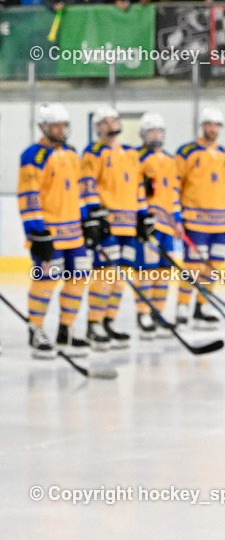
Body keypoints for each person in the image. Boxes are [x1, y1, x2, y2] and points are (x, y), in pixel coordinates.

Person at [17, 104, 93, 358]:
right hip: (49, 234)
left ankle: (66, 330)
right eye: (56, 126)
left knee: (78, 280)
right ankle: (36, 331)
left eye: (64, 125)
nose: (61, 130)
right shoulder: (33, 156)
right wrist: (36, 232)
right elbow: (28, 195)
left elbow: (78, 190)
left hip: (74, 234)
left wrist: (87, 220)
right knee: (45, 283)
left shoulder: (71, 152)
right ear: (43, 126)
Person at [80, 107, 145, 349]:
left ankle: (108, 321)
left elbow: (138, 185)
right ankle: (93, 323)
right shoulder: (93, 152)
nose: (110, 125)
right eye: (104, 122)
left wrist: (143, 215)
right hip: (107, 226)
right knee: (104, 276)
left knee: (120, 278)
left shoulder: (131, 153)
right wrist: (94, 215)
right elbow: (87, 184)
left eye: (113, 121)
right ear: (97, 128)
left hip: (129, 225)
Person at [175, 107, 225, 329]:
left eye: (216, 125)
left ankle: (202, 307)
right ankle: (182, 306)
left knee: (213, 266)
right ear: (203, 126)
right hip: (194, 220)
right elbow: (176, 184)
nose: (212, 129)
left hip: (220, 223)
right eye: (209, 124)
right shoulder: (187, 152)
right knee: (192, 267)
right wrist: (177, 216)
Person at [136, 112, 181, 339]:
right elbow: (136, 191)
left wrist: (178, 221)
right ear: (143, 134)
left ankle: (158, 312)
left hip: (167, 227)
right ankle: (143, 313)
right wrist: (142, 217)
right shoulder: (137, 158)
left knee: (164, 271)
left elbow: (174, 194)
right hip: (150, 225)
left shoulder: (170, 160)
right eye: (151, 131)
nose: (155, 135)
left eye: (158, 131)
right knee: (147, 271)